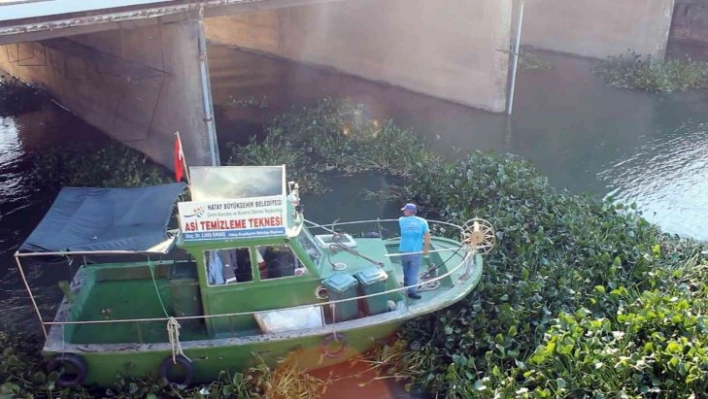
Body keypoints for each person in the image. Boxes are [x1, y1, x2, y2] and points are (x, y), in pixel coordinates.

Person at [398, 203, 430, 299]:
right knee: (414, 270)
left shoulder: (401, 220)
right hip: (415, 251)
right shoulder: (423, 222)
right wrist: (426, 249)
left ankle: (406, 283)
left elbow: (402, 220)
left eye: (405, 210)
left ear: (409, 212)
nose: (403, 212)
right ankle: (411, 291)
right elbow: (427, 236)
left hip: (403, 250)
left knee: (406, 268)